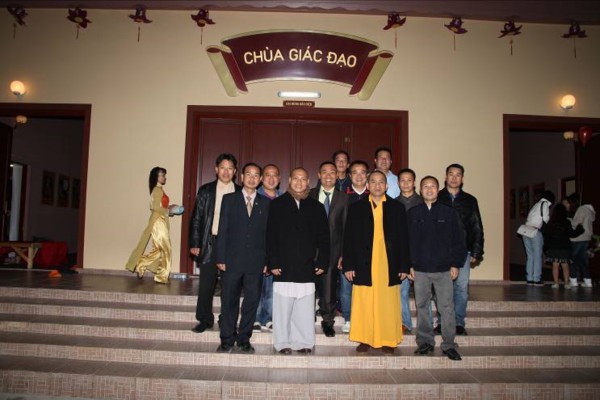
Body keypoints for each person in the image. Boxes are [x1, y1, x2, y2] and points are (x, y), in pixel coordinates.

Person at [343, 170, 410, 354]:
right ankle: (364, 338)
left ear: (387, 186)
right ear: (367, 185)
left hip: (389, 263)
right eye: (373, 182)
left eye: (381, 182)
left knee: (387, 303)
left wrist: (404, 265)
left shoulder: (396, 208)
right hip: (363, 263)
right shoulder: (357, 208)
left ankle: (388, 339)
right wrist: (348, 265)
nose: (377, 185)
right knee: (364, 301)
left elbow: (404, 239)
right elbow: (348, 238)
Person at [266, 167, 330, 354]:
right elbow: (270, 235)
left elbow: (324, 238)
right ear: (289, 180)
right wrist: (273, 262)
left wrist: (322, 261)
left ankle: (303, 342)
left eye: (303, 179)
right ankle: (282, 342)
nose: (299, 182)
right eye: (296, 178)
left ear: (308, 181)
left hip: (307, 265)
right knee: (283, 308)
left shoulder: (316, 207)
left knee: (304, 308)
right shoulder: (277, 205)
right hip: (283, 265)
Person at [408, 176, 466, 361]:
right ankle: (425, 341)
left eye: (432, 186)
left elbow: (459, 240)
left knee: (446, 307)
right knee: (422, 306)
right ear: (420, 190)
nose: (429, 189)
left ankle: (449, 344)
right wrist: (409, 265)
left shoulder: (449, 213)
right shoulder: (413, 213)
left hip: (444, 269)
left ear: (438, 189)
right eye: (425, 186)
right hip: (420, 269)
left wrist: (456, 263)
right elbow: (407, 242)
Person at [214, 163, 270, 353]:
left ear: (260, 179)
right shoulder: (229, 199)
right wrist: (220, 257)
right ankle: (227, 338)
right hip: (232, 260)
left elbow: (268, 234)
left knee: (251, 302)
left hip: (256, 262)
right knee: (229, 300)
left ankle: (244, 338)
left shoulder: (266, 203)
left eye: (256, 175)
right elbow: (222, 229)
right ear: (242, 177)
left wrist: (267, 261)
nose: (252, 178)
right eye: (248, 174)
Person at [189, 154, 241, 333]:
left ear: (235, 171)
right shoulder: (206, 190)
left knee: (230, 285)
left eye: (230, 168)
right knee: (206, 284)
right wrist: (195, 242)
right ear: (216, 169)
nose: (226, 172)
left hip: (232, 245)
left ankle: (227, 319)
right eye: (223, 168)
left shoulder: (240, 192)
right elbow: (197, 218)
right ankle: (204, 319)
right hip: (210, 242)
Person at [436, 164, 484, 336]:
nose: (454, 178)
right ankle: (442, 322)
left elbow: (476, 226)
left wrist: (477, 250)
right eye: (451, 174)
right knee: (442, 288)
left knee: (461, 288)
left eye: (458, 175)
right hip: (440, 250)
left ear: (462, 178)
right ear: (445, 177)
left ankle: (458, 322)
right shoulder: (437, 197)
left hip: (463, 250)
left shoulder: (470, 200)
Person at [310, 161, 348, 337]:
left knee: (329, 288)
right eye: (324, 172)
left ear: (337, 175)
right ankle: (306, 317)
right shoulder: (308, 194)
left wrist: (343, 254)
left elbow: (346, 228)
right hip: (309, 249)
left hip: (333, 250)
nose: (328, 175)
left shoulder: (343, 198)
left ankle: (327, 321)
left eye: (332, 172)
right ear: (319, 175)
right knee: (308, 286)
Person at [125, 167, 173, 284]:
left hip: (160, 221)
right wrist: (168, 211)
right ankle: (161, 276)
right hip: (158, 222)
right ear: (156, 177)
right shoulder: (157, 190)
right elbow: (155, 207)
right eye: (162, 175)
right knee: (166, 249)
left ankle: (141, 263)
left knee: (160, 250)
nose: (164, 177)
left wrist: (169, 209)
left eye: (164, 175)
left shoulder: (159, 190)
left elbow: (160, 206)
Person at [340, 160, 370, 333]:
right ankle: (348, 319)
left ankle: (365, 318)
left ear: (367, 175)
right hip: (347, 248)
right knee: (346, 287)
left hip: (369, 251)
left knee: (366, 288)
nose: (359, 176)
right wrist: (341, 253)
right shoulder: (342, 196)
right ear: (349, 176)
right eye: (355, 172)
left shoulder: (374, 194)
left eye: (362, 172)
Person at [253, 164, 282, 332]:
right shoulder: (254, 197)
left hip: (275, 250)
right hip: (257, 249)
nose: (271, 178)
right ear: (262, 178)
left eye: (274, 175)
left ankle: (269, 317)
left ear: (279, 179)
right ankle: (256, 317)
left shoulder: (284, 199)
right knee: (256, 286)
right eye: (267, 175)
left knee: (271, 287)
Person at [396, 168, 423, 334]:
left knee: (423, 293)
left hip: (421, 253)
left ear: (414, 182)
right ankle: (405, 322)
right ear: (398, 183)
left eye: (409, 180)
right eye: (402, 180)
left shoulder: (423, 202)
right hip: (401, 253)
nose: (406, 183)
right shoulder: (393, 203)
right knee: (402, 290)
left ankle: (425, 325)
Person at [541, 203, 583, 289]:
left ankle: (556, 283)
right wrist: (580, 228)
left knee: (555, 266)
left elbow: (547, 236)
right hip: (565, 247)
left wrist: (545, 248)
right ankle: (566, 283)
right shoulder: (566, 222)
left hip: (553, 247)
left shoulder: (550, 222)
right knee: (565, 266)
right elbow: (572, 234)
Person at [521, 190, 554, 287]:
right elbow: (546, 219)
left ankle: (529, 278)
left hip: (525, 230)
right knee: (537, 256)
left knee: (530, 256)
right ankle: (537, 279)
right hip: (535, 231)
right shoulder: (545, 204)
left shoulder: (535, 205)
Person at [568, 193, 596, 288]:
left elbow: (576, 223)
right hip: (587, 237)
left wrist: (569, 220)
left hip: (578, 238)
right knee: (582, 260)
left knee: (573, 259)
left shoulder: (581, 209)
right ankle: (588, 281)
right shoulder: (590, 210)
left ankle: (573, 280)